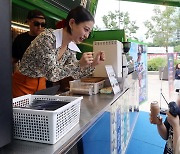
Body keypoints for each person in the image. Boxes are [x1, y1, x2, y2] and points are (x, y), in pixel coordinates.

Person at [12, 6, 105, 98]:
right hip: (23, 84)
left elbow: (75, 74)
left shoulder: (70, 47)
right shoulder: (47, 38)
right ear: (72, 23)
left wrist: (92, 65)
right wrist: (79, 64)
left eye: (89, 32)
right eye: (86, 30)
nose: (86, 35)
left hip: (41, 84)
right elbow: (52, 75)